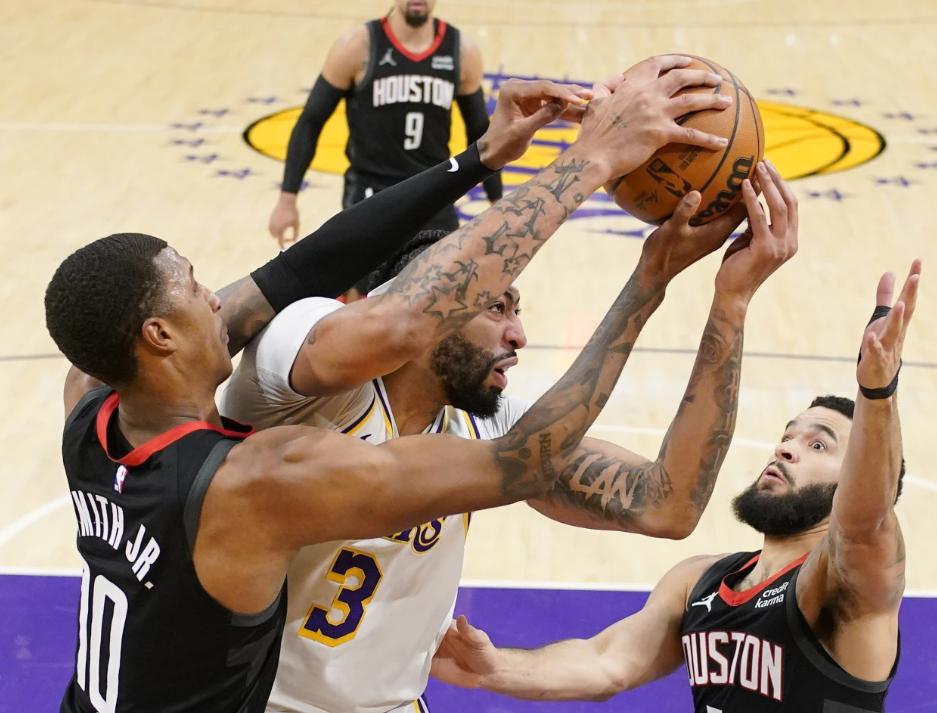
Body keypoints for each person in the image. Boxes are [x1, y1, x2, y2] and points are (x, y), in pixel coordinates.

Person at [46, 67, 710, 713]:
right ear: (160, 335)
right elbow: (497, 432)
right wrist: (596, 173)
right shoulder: (252, 480)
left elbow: (297, 266)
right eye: (195, 287)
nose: (220, 300)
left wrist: (476, 158)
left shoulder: (93, 407)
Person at [221, 92, 793, 713]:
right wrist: (589, 160)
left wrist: (721, 303)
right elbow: (400, 323)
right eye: (498, 306)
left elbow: (665, 506)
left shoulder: (491, 432)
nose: (517, 334)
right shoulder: (293, 371)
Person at [430, 260, 922, 713]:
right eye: (788, 435)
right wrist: (497, 668)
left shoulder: (849, 581)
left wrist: (877, 392)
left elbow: (864, 519)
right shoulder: (698, 581)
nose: (786, 449)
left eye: (819, 446)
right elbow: (608, 662)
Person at [269, 0, 503, 255]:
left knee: (442, 289)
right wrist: (287, 198)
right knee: (366, 291)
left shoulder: (461, 51)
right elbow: (310, 122)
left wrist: (497, 204)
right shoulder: (358, 47)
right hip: (370, 193)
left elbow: (480, 132)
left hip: (433, 190)